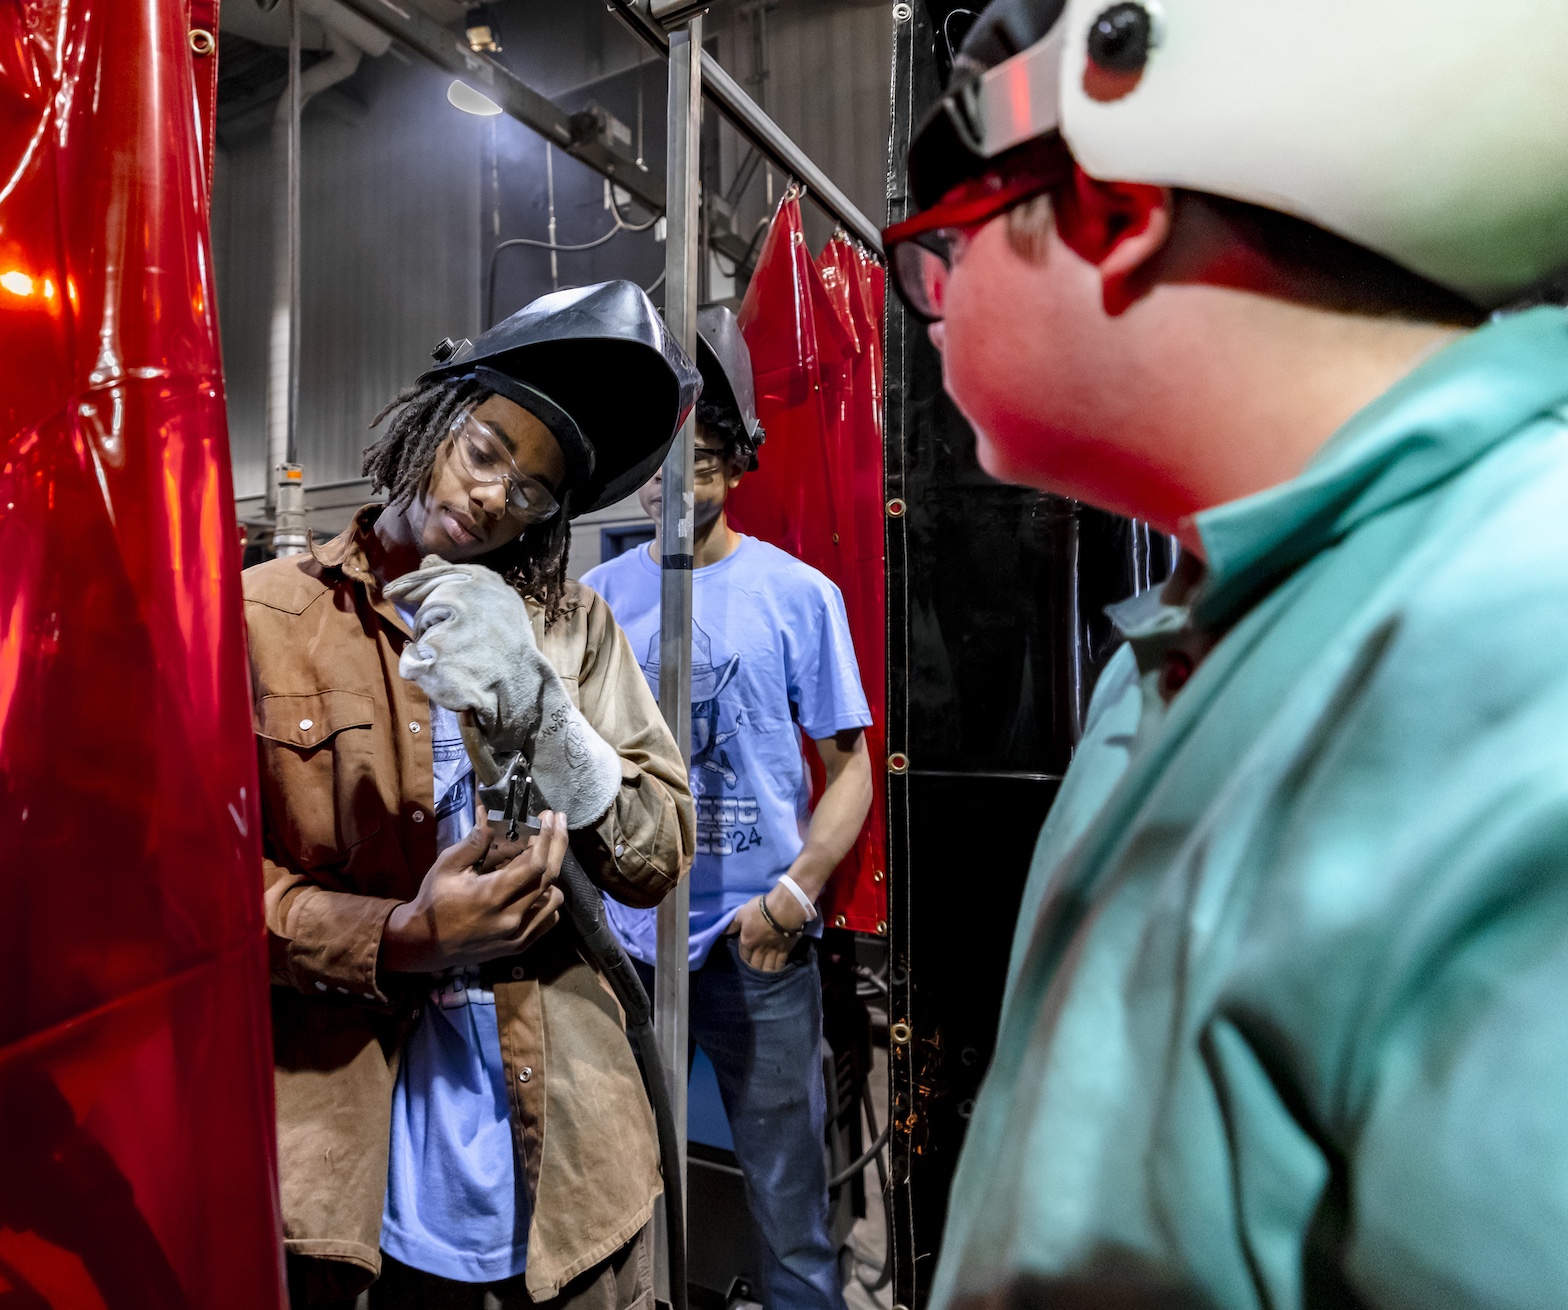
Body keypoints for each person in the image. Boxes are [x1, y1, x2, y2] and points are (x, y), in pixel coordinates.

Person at [882, 0, 1568, 1306]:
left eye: (949, 249)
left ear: (1119, 208)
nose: (938, 298)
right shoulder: (1194, 646)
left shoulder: (1521, 646)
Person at [245, 280, 699, 1310]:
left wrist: (547, 715)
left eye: (533, 492)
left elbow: (657, 848)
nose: (497, 496)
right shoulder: (265, 618)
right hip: (347, 1173)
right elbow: (191, 889)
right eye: (488, 450)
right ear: (436, 419)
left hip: (569, 1161)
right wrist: (399, 934)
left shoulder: (575, 631)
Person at [583, 306, 875, 1310]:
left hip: (753, 948)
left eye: (702, 461)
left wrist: (790, 899)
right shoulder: (597, 597)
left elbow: (853, 766)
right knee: (617, 1191)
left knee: (790, 1212)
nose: (679, 484)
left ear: (736, 465)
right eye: (664, 462)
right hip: (626, 947)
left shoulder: (797, 595)